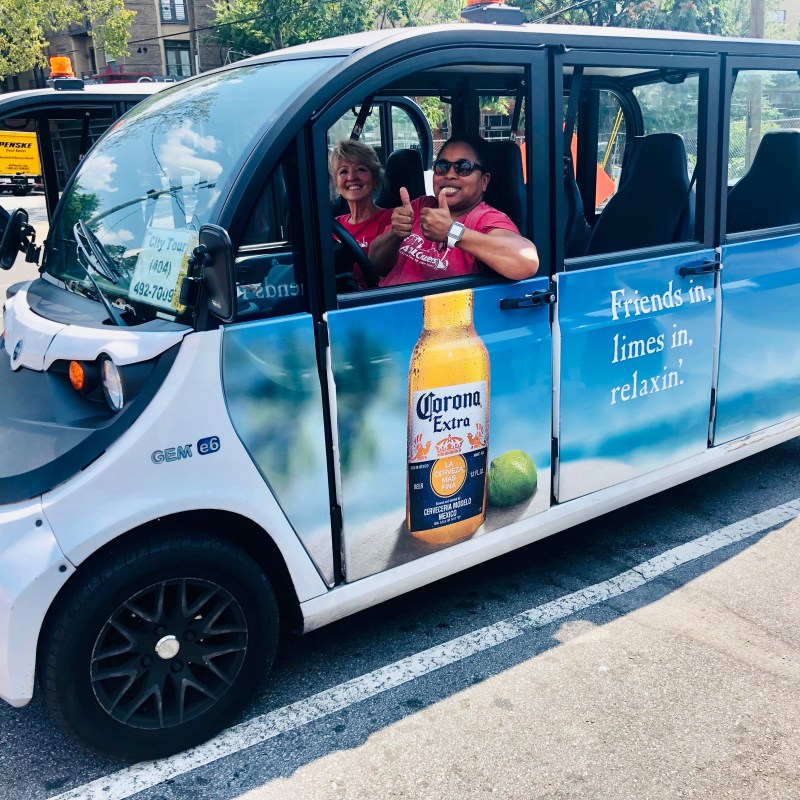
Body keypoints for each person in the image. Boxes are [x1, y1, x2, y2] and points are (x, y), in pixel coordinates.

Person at [369, 134, 539, 286]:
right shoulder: (421, 206)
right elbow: (375, 263)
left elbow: (527, 261)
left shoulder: (486, 219)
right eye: (442, 166)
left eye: (463, 167)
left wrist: (453, 232)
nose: (449, 175)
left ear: (484, 181)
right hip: (386, 311)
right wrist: (395, 234)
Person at [329, 139, 392, 289]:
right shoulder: (334, 226)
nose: (351, 177)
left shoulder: (392, 220)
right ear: (336, 184)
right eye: (343, 171)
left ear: (376, 180)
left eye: (361, 169)